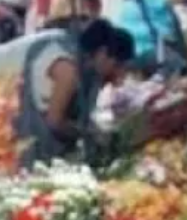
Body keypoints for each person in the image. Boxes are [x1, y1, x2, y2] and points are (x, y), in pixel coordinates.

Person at [13, 18, 133, 166]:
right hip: (36, 143)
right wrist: (89, 134)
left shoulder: (89, 68)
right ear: (102, 53)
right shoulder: (67, 70)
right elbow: (55, 122)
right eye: (116, 66)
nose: (118, 76)